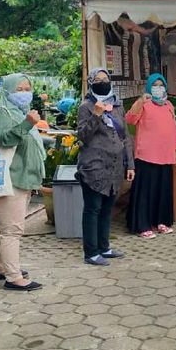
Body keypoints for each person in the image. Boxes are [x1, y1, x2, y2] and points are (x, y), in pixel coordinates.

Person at [0, 74, 45, 290]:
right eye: (19, 89)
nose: (24, 93)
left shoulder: (19, 112)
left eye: (27, 88)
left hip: (21, 177)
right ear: (8, 90)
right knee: (12, 230)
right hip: (9, 178)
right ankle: (13, 277)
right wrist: (28, 123)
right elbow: (4, 139)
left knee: (5, 227)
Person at [77, 69, 135, 264]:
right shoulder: (86, 107)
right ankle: (91, 252)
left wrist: (130, 164)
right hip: (94, 167)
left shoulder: (117, 106)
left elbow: (125, 137)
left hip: (114, 166)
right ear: (90, 83)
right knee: (93, 208)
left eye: (105, 79)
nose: (102, 82)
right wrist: (96, 115)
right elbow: (83, 136)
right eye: (97, 79)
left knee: (107, 208)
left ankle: (104, 247)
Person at [126, 73, 176, 238]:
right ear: (149, 87)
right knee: (145, 192)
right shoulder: (144, 104)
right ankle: (143, 225)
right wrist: (140, 101)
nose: (158, 88)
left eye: (161, 85)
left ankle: (161, 221)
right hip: (146, 155)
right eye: (155, 85)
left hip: (166, 155)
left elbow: (173, 129)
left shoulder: (169, 105)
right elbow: (129, 119)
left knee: (163, 191)